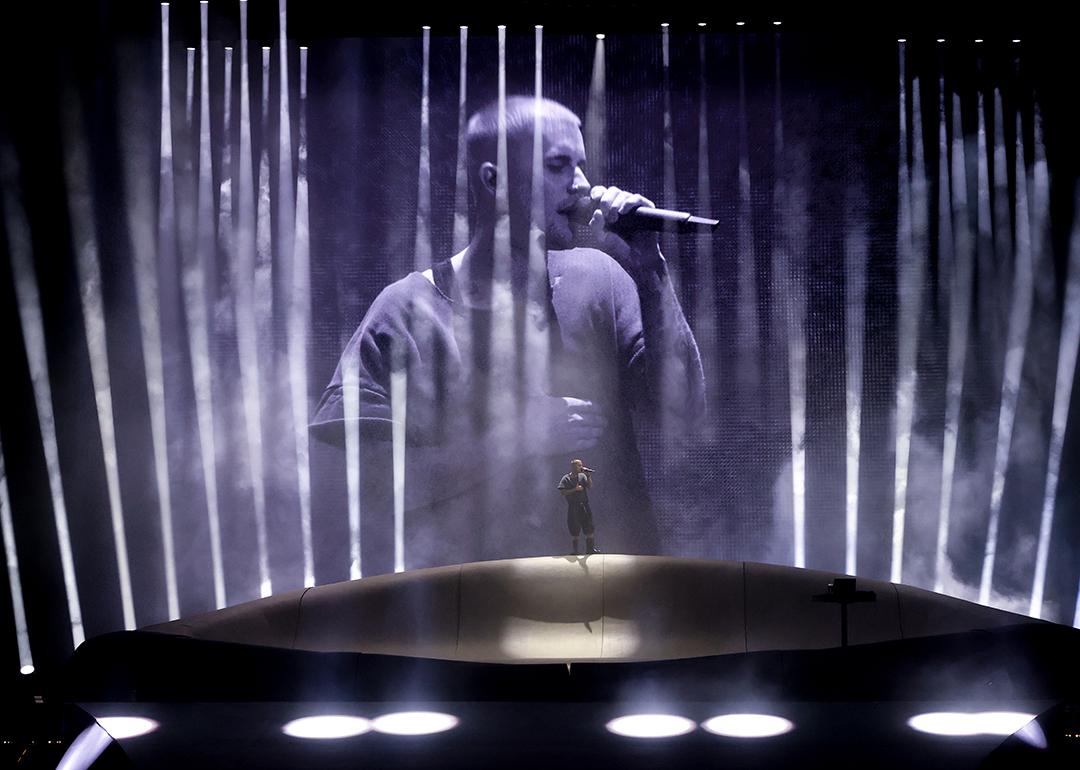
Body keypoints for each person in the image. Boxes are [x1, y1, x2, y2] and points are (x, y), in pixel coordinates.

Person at [311, 95, 705, 571]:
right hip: (473, 612)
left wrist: (651, 268)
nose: (583, 185)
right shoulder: (407, 311)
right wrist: (513, 441)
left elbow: (682, 410)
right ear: (493, 180)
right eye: (559, 166)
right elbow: (365, 485)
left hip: (611, 598)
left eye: (581, 165)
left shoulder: (600, 279)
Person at [558, 459, 596, 555]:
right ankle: (575, 551)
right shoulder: (566, 478)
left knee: (589, 526)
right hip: (573, 506)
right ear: (573, 467)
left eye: (581, 465)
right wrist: (574, 489)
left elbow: (590, 486)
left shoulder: (582, 476)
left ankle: (590, 549)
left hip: (584, 505)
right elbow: (562, 492)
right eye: (579, 465)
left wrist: (589, 476)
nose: (581, 467)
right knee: (574, 527)